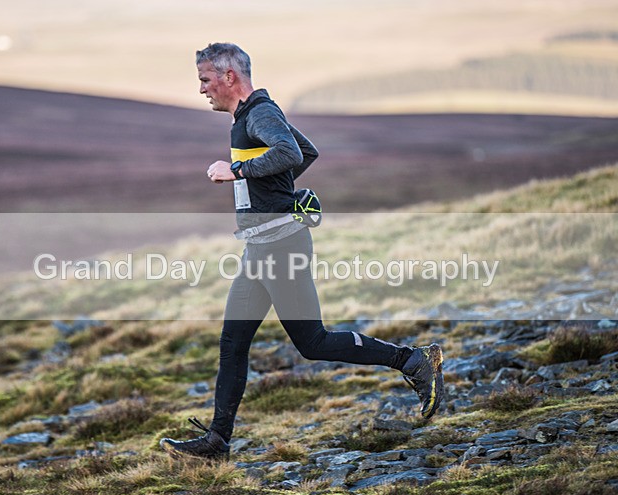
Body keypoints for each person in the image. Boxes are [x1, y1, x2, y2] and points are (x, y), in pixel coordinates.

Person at [160, 43, 444, 461]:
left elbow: (291, 153)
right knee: (233, 343)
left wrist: (236, 170)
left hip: (280, 245)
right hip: (260, 246)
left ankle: (414, 361)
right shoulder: (251, 114)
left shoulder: (260, 113)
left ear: (229, 78)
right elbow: (305, 152)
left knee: (312, 341)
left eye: (205, 80)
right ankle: (217, 441)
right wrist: (275, 192)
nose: (201, 89)